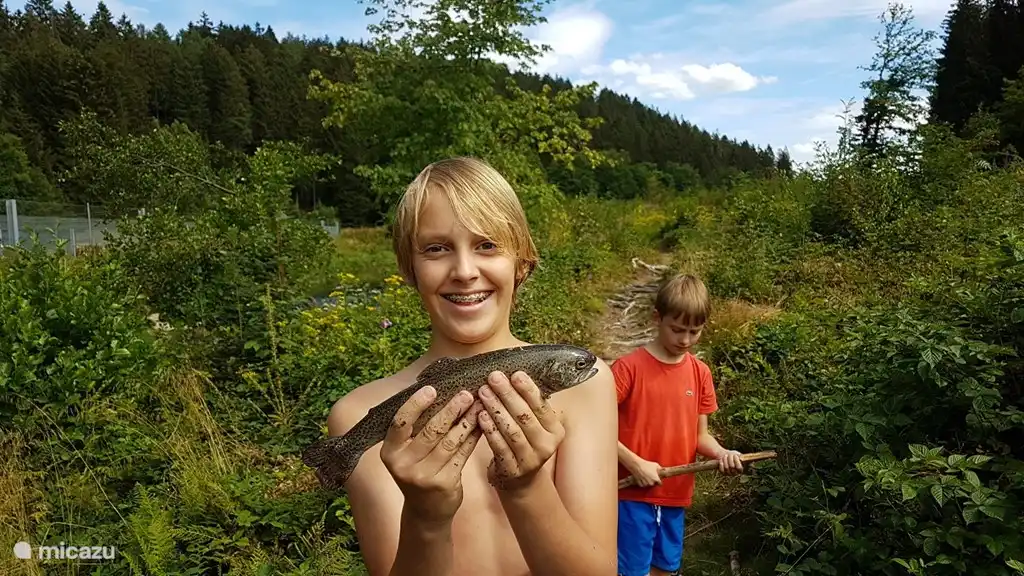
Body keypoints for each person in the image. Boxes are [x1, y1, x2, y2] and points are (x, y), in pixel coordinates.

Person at [323, 156, 619, 576]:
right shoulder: (355, 418)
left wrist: (527, 488)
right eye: (437, 248)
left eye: (487, 245)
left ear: (522, 263)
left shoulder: (586, 387)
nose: (464, 271)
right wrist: (425, 518)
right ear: (411, 269)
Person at [612, 273, 744, 576]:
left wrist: (723, 454)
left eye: (694, 332)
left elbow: (701, 436)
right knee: (631, 571)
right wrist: (635, 464)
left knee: (667, 568)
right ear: (657, 318)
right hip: (631, 492)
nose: (685, 340)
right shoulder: (628, 369)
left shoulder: (700, 373)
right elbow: (597, 429)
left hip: (676, 493)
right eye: (677, 330)